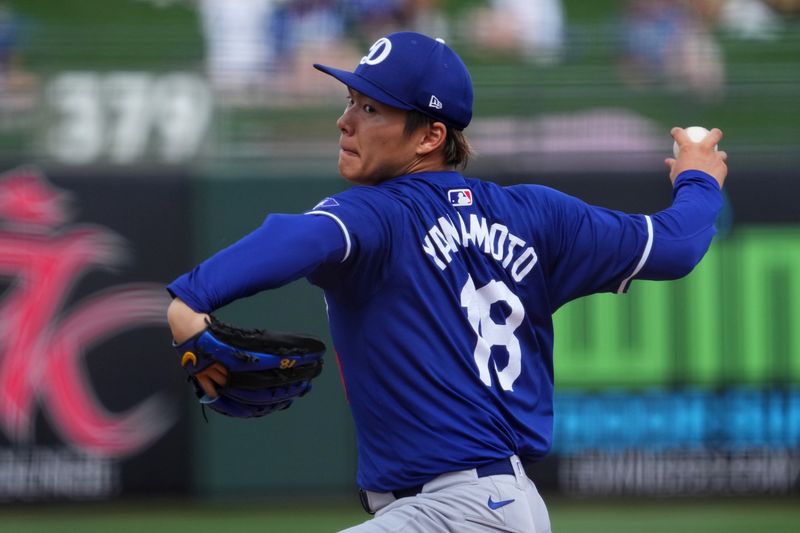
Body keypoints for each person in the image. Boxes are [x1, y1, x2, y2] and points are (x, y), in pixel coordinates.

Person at [166, 32, 727, 532]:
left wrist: (193, 296)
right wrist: (698, 174)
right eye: (350, 101)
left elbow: (301, 239)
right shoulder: (537, 215)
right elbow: (676, 245)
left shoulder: (378, 214)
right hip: (492, 507)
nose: (346, 120)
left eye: (370, 108)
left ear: (430, 135)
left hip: (454, 511)